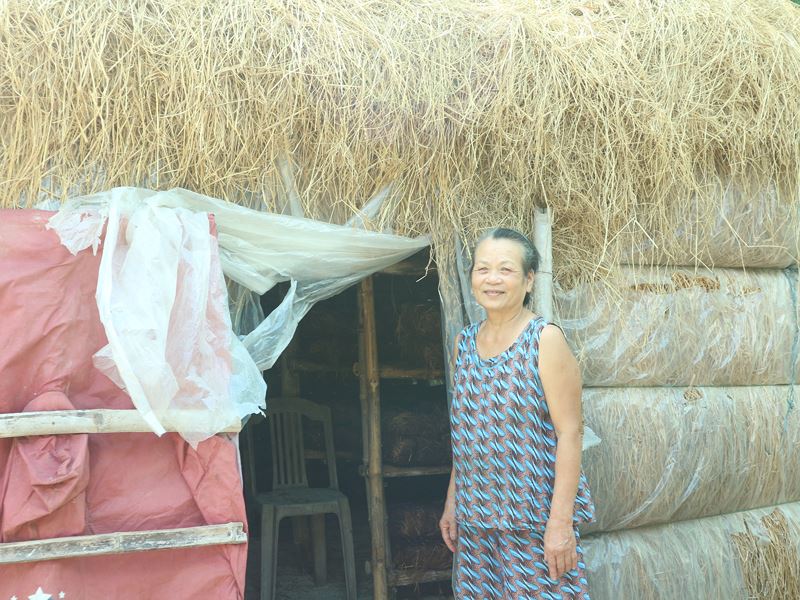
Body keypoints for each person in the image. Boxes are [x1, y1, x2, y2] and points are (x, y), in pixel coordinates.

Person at [440, 228, 595, 599]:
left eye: (505, 270)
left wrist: (560, 523)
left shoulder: (544, 339)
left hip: (533, 519)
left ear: (528, 280)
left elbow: (570, 433)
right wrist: (452, 502)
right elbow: (468, 433)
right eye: (483, 269)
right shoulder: (464, 343)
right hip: (476, 519)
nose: (492, 279)